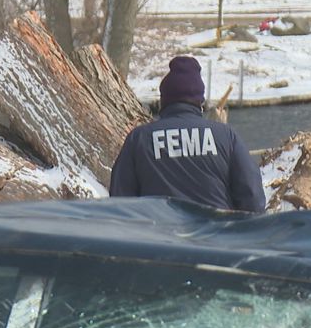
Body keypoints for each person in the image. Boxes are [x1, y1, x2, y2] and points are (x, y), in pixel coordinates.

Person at [109, 56, 266, 213]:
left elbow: (120, 201)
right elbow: (252, 198)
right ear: (200, 101)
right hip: (216, 233)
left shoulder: (139, 139)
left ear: (164, 100)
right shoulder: (226, 136)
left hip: (157, 233)